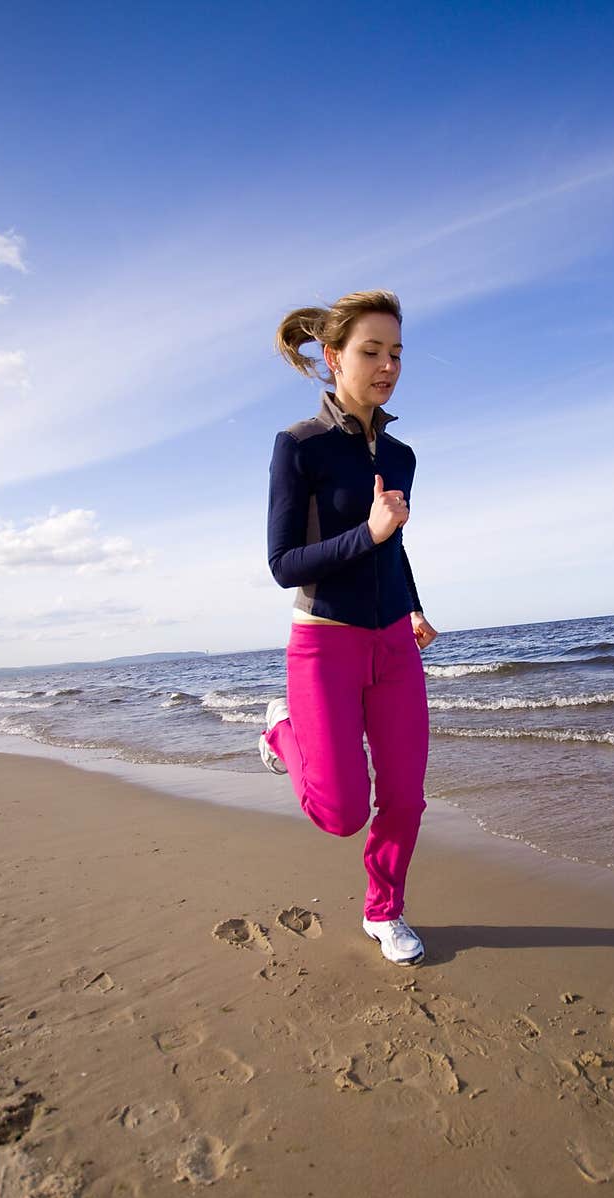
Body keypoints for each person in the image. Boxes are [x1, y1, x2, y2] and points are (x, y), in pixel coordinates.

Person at [259, 289, 439, 965]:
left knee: (404, 797)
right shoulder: (298, 447)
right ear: (333, 357)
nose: (386, 365)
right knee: (340, 814)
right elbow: (283, 564)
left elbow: (392, 545)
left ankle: (383, 910)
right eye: (371, 351)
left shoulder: (403, 456)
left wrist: (413, 602)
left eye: (396, 353)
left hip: (393, 640)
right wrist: (367, 531)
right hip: (324, 643)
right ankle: (282, 730)